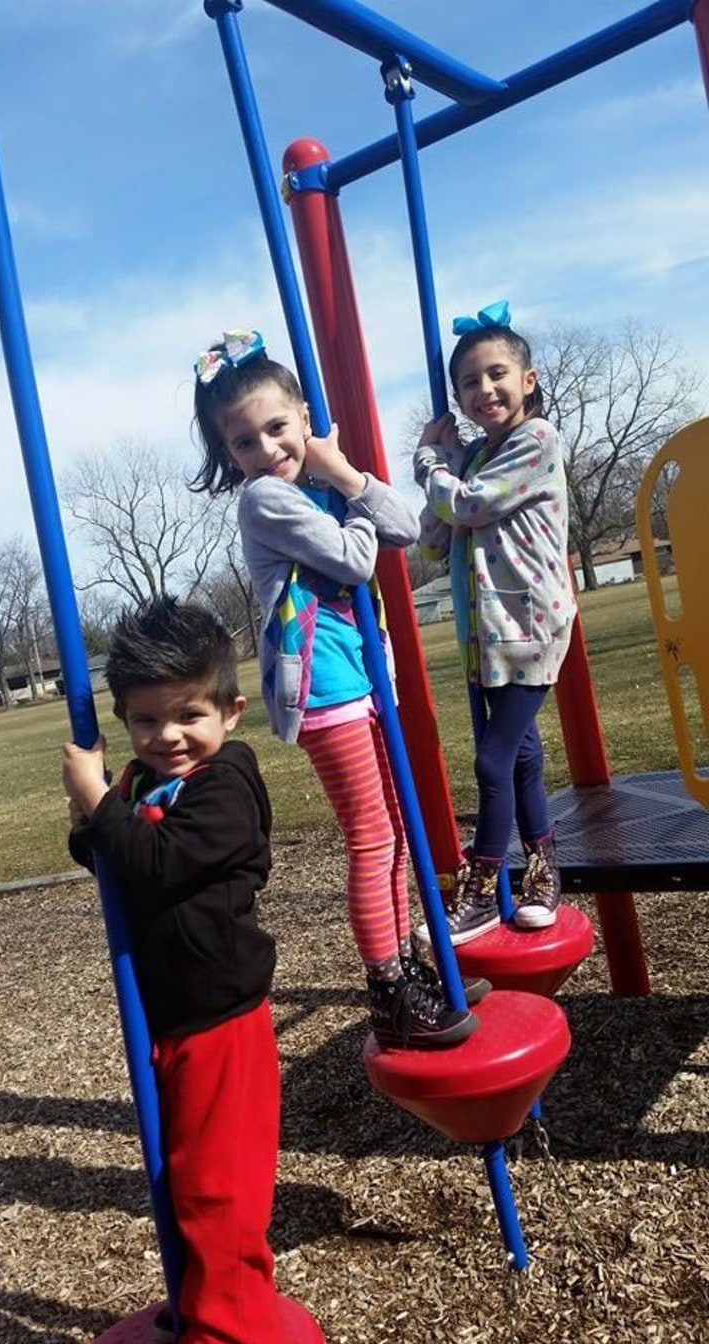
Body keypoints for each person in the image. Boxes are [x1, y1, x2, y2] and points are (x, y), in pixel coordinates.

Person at [191, 328, 486, 1053]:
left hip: (361, 677)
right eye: (244, 443)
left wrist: (342, 473)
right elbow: (359, 560)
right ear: (232, 458)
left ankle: (405, 962)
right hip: (325, 691)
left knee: (393, 829)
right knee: (372, 837)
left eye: (277, 429)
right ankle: (386, 988)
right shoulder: (267, 501)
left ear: (301, 417)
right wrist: (338, 481)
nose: (266, 451)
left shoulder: (317, 484)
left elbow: (406, 528)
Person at [63, 596, 281, 1344]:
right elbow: (106, 858)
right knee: (181, 1174)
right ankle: (206, 1302)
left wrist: (98, 802)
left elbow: (152, 865)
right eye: (146, 721)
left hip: (222, 1018)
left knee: (218, 1187)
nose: (167, 738)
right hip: (172, 1017)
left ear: (230, 708)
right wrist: (94, 810)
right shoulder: (149, 777)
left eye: (188, 714)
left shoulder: (226, 786)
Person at [413, 301, 575, 945]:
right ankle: (542, 873)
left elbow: (467, 505)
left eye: (497, 373)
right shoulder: (477, 457)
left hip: (529, 627)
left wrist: (430, 465)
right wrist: (443, 474)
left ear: (528, 380)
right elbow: (433, 537)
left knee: (492, 759)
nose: (485, 390)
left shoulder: (536, 442)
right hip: (487, 635)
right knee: (524, 758)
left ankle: (478, 893)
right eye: (469, 383)